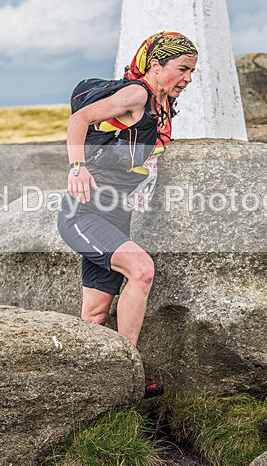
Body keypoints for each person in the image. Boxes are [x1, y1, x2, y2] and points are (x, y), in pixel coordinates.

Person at [57, 31, 198, 398]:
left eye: (192, 72)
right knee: (142, 269)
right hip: (84, 213)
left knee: (95, 316)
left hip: (116, 216)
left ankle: (83, 390)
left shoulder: (164, 106)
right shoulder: (138, 94)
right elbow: (80, 120)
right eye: (181, 69)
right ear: (156, 64)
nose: (187, 78)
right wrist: (77, 168)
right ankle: (129, 369)